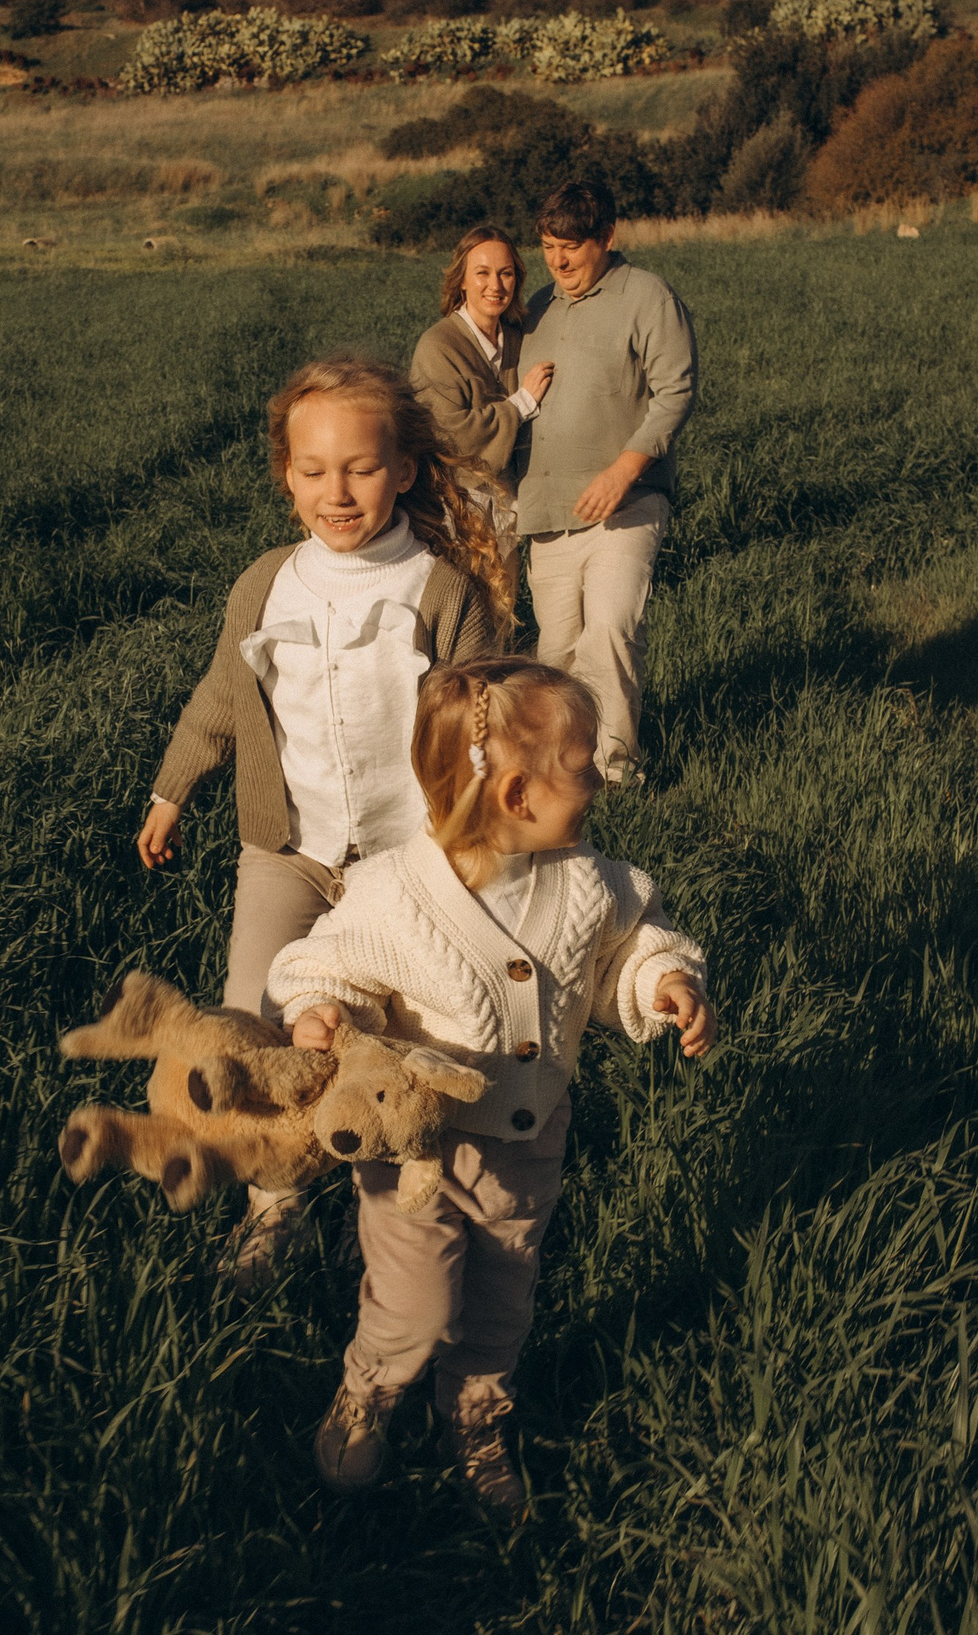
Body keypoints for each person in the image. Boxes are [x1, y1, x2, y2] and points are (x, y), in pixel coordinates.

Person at [268, 657, 713, 1512]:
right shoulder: (394, 896)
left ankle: (475, 1413)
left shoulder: (589, 883)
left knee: (506, 1290)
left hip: (528, 1143)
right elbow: (321, 961)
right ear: (517, 795)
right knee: (418, 1302)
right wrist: (318, 1010)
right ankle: (372, 1385)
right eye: (582, 769)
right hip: (416, 1153)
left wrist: (663, 981)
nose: (595, 786)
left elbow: (632, 943)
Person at [137, 355, 516, 1289]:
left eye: (359, 468)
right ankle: (277, 1213)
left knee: (392, 1033)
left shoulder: (441, 593)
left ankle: (390, 1211)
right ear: (287, 477)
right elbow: (221, 697)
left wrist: (487, 845)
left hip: (406, 860)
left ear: (405, 472)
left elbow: (489, 729)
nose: (335, 491)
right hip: (288, 852)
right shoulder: (266, 586)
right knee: (262, 1023)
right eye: (312, 471)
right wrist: (171, 788)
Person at [515, 181, 697, 787]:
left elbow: (676, 389)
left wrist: (625, 469)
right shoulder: (538, 308)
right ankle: (561, 775)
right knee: (558, 653)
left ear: (608, 238)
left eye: (572, 246)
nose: (559, 261)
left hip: (629, 503)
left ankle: (614, 774)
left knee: (612, 628)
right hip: (546, 509)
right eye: (548, 247)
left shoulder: (647, 296)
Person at [410, 224, 557, 494]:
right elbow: (450, 437)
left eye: (506, 274)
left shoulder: (518, 339)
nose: (496, 285)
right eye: (482, 273)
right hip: (457, 504)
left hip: (513, 503)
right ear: (462, 280)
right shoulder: (438, 346)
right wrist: (521, 403)